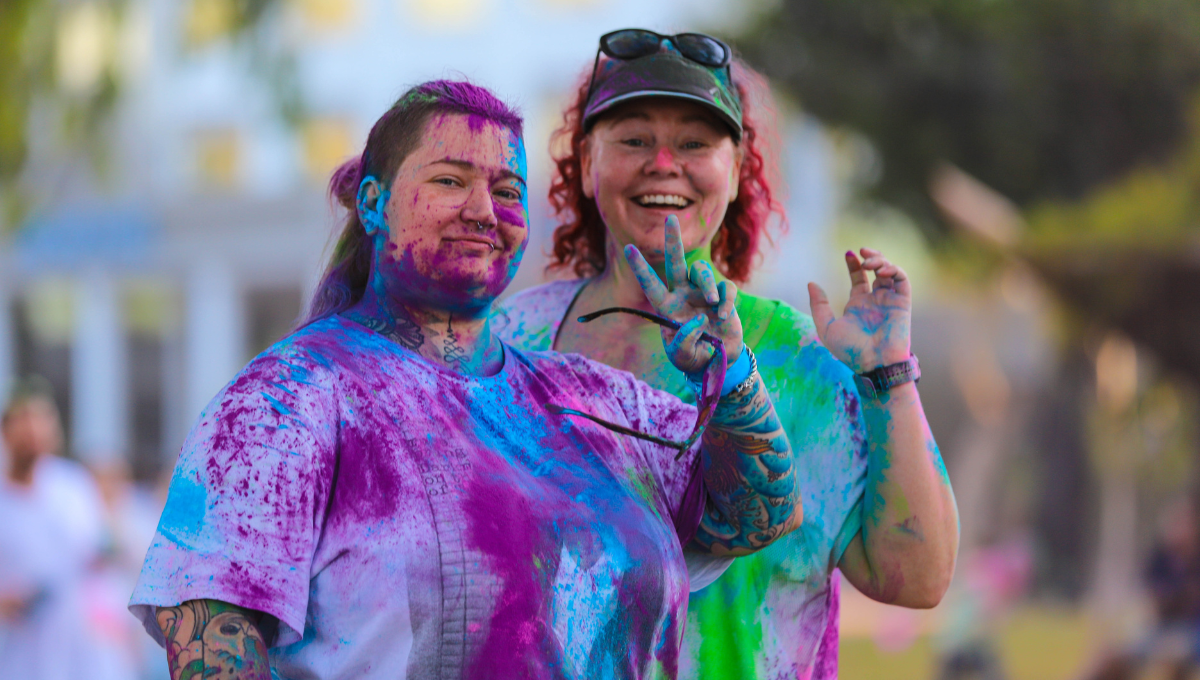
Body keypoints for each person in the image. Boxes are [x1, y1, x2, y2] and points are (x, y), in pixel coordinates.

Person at [129, 79, 803, 680]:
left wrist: (733, 370)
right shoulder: (285, 401)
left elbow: (761, 513)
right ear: (373, 203)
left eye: (507, 191)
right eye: (451, 181)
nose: (484, 210)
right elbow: (214, 649)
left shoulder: (597, 402)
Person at [495, 29, 959, 678]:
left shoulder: (801, 361)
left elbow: (917, 578)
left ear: (738, 171)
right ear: (587, 161)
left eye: (694, 144)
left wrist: (887, 376)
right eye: (633, 140)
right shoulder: (509, 345)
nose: (663, 163)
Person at [0, 377, 109, 680]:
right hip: (16, 655)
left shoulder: (73, 486)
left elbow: (96, 555)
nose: (33, 431)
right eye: (23, 421)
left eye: (41, 420)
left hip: (78, 654)